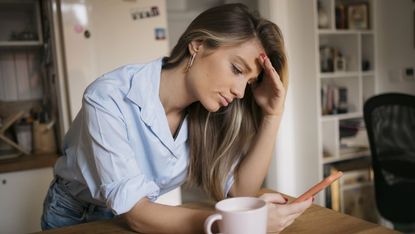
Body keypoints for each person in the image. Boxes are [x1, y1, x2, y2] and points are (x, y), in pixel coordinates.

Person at [41, 3, 312, 233]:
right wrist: (236, 224)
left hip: (147, 219)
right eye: (236, 69)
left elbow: (241, 192)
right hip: (74, 217)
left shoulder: (211, 111)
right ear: (198, 45)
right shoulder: (108, 97)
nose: (240, 92)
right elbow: (137, 212)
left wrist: (273, 113)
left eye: (250, 82)